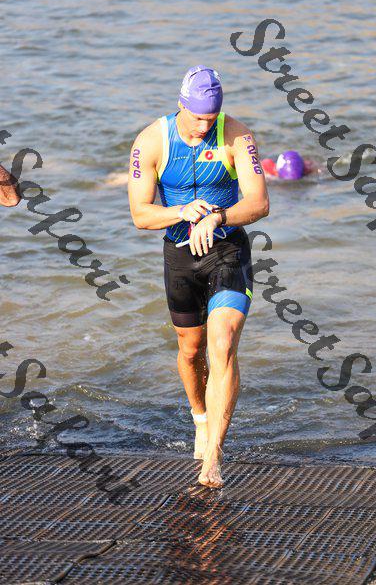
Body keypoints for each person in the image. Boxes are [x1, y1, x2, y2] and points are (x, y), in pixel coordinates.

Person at [128, 65, 269, 488]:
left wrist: (218, 217)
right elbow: (140, 215)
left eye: (212, 118)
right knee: (191, 351)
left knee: (221, 343)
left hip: (227, 249)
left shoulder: (237, 136)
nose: (206, 127)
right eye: (197, 118)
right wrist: (181, 212)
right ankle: (201, 419)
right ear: (181, 106)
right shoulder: (151, 141)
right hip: (179, 254)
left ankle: (213, 459)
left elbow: (259, 204)